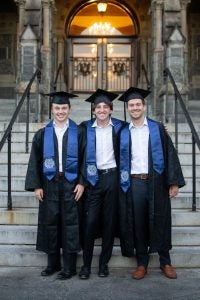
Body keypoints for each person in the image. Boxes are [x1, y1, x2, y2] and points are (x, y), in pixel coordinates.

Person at [118, 87, 185, 280]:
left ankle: (165, 262)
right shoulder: (123, 132)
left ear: (144, 106)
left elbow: (170, 154)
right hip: (134, 182)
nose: (135, 107)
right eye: (131, 105)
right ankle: (142, 263)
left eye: (138, 104)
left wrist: (173, 182)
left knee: (161, 219)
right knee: (138, 222)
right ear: (128, 108)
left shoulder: (157, 128)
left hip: (156, 181)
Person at [25, 91, 85, 280]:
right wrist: (36, 186)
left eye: (64, 108)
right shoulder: (43, 133)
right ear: (52, 109)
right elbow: (35, 159)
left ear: (69, 109)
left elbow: (86, 159)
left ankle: (70, 267)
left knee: (70, 223)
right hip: (49, 183)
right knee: (50, 222)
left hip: (71, 183)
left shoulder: (79, 132)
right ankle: (53, 264)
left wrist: (82, 183)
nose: (60, 111)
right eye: (57, 108)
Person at [78, 89, 124, 279]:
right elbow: (78, 157)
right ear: (93, 110)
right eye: (98, 107)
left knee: (109, 223)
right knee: (90, 223)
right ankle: (86, 266)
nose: (102, 110)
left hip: (112, 178)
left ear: (111, 110)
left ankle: (103, 264)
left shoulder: (121, 128)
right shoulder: (84, 128)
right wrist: (82, 181)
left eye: (105, 107)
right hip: (92, 179)